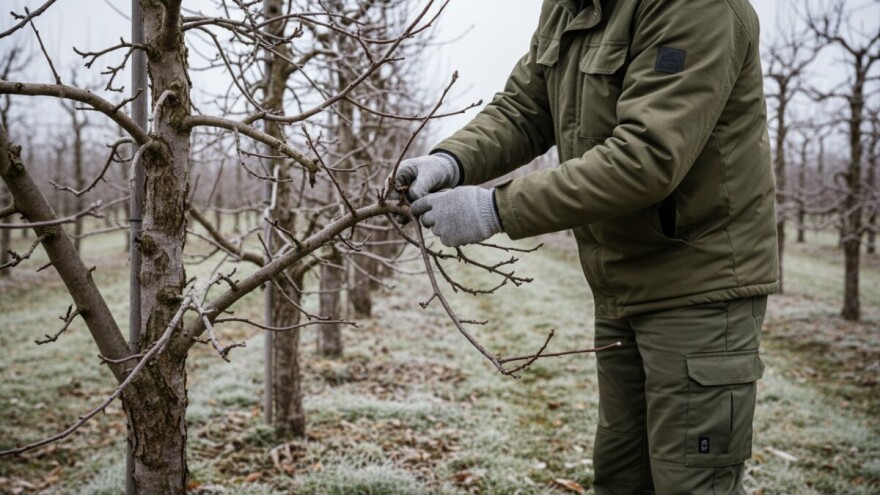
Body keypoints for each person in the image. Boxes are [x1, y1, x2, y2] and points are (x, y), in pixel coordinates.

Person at [394, 0, 779, 493]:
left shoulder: (696, 8)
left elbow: (648, 155)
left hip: (699, 287)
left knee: (690, 481)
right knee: (621, 475)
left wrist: (493, 209)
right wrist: (450, 161)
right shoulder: (569, 7)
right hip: (621, 282)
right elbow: (525, 109)